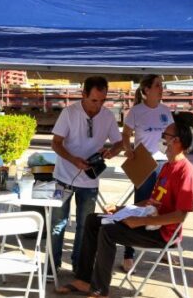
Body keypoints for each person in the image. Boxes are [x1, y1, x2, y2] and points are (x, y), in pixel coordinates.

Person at [55, 117, 193, 298]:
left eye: (165, 136)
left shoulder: (187, 172)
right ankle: (84, 280)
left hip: (162, 234)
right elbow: (150, 202)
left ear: (176, 141)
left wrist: (141, 221)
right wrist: (121, 209)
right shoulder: (167, 167)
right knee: (93, 220)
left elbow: (180, 216)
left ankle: (100, 290)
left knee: (108, 232)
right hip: (148, 222)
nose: (161, 139)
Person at [51, 76, 123, 273]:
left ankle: (80, 267)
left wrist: (112, 152)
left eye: (102, 100)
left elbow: (119, 142)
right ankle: (52, 265)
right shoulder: (69, 113)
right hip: (63, 177)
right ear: (83, 95)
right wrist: (74, 160)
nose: (98, 105)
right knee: (57, 224)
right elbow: (55, 143)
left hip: (90, 181)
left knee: (85, 227)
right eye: (94, 100)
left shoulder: (107, 116)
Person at [119, 74, 174, 272]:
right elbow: (125, 134)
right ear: (146, 90)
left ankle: (165, 249)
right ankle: (128, 253)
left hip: (163, 165)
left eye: (162, 85)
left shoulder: (166, 111)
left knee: (163, 208)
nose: (161, 88)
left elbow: (172, 137)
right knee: (139, 207)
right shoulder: (136, 111)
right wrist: (128, 148)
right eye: (158, 85)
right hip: (143, 163)